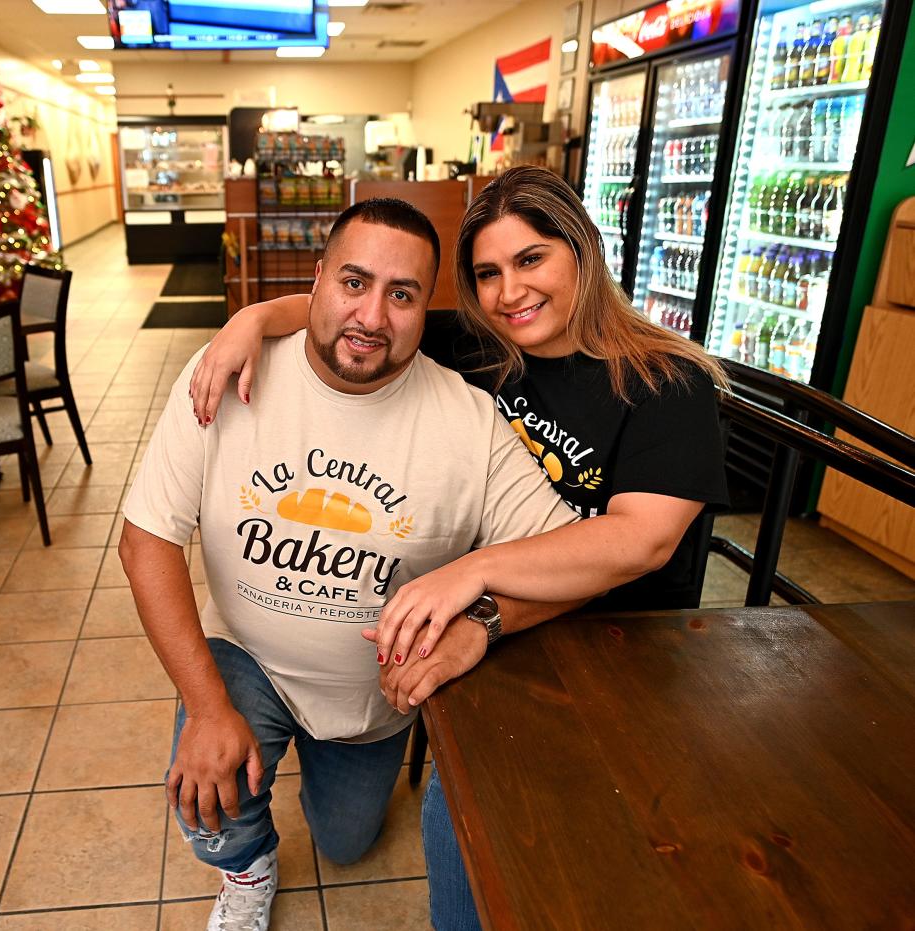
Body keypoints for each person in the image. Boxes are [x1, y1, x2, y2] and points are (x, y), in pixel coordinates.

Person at [187, 166, 729, 930]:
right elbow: (355, 314)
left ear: (582, 249)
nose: (511, 292)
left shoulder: (667, 382)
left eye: (531, 259)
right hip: (499, 626)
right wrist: (248, 320)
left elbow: (639, 544)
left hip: (618, 646)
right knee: (466, 805)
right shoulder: (483, 347)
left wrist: (470, 579)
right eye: (488, 273)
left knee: (533, 827)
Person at [120, 197, 603, 931]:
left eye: (401, 294)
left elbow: (573, 557)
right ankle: (246, 869)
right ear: (315, 282)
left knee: (347, 841)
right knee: (209, 796)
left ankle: (327, 772)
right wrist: (209, 706)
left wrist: (485, 619)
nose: (372, 317)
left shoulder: (467, 422)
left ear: (427, 307)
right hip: (244, 656)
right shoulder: (229, 369)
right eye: (353, 282)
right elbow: (145, 539)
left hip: (371, 696)